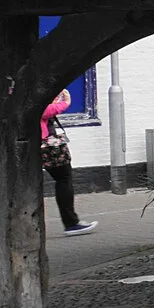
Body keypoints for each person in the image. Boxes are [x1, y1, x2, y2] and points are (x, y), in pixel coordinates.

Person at [41, 90, 97, 235]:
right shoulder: (27, 86)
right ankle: (71, 223)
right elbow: (42, 111)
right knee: (63, 178)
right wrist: (64, 103)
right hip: (47, 142)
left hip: (34, 141)